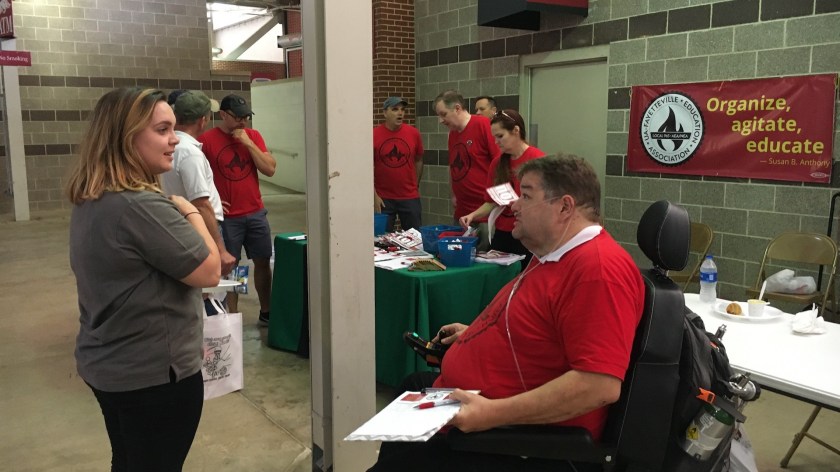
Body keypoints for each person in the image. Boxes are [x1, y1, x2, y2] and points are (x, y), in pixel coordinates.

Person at [368, 154, 645, 472]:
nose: (514, 205)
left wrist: (490, 413)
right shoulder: (554, 254)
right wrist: (473, 333)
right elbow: (536, 325)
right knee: (413, 385)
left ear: (565, 207)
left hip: (516, 439)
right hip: (478, 405)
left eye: (526, 195)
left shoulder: (598, 271)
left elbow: (598, 386)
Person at [65, 87, 221, 471]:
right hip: (151, 378)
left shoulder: (94, 197)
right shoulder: (140, 206)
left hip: (111, 363)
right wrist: (190, 213)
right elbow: (210, 270)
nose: (174, 140)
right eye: (162, 130)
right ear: (126, 136)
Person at [199, 94, 277, 324]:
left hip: (255, 212)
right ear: (223, 114)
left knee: (262, 261)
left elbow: (270, 169)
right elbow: (197, 175)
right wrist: (212, 202)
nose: (242, 122)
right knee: (232, 268)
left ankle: (266, 311)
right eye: (237, 117)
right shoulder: (207, 140)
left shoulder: (252, 136)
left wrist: (248, 143)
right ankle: (231, 317)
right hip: (227, 218)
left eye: (246, 117)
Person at [161, 91, 238, 313]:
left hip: (182, 225)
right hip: (200, 229)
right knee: (212, 292)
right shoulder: (190, 153)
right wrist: (221, 250)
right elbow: (201, 204)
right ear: (202, 120)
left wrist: (213, 202)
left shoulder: (170, 147)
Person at [459, 109, 544, 264]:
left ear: (516, 131)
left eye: (500, 136)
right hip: (502, 234)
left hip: (529, 235)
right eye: (494, 137)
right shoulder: (497, 164)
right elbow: (492, 202)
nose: (496, 142)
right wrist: (472, 215)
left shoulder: (537, 160)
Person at [434, 90, 500, 250]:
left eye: (443, 114)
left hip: (484, 212)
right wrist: (453, 194)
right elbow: (454, 167)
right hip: (462, 213)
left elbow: (500, 165)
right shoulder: (452, 134)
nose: (441, 120)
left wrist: (495, 202)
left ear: (457, 108)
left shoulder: (483, 125)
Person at [374, 96, 425, 231]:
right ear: (385, 113)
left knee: (415, 239)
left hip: (409, 196)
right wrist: (374, 196)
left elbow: (419, 159)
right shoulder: (374, 135)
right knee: (382, 240)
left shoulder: (413, 133)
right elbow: (366, 168)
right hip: (383, 198)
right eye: (395, 109)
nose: (400, 113)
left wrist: (415, 184)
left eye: (402, 109)